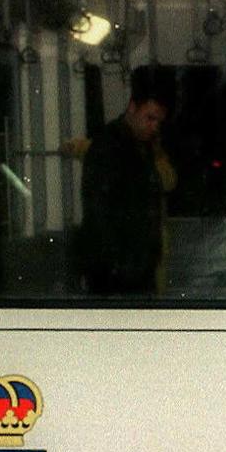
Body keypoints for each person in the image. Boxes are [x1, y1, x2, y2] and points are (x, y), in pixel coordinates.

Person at [74, 66, 176, 295]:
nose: (154, 126)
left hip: (134, 268)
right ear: (132, 108)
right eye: (149, 118)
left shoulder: (141, 146)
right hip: (118, 273)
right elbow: (101, 211)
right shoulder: (109, 147)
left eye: (158, 121)